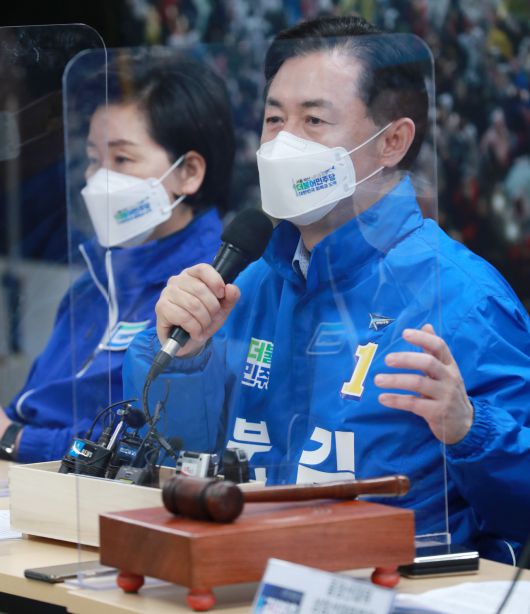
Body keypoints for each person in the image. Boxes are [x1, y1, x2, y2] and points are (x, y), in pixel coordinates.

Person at [124, 17, 530, 564]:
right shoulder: (246, 285)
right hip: (242, 578)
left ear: (392, 141)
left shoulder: (464, 299)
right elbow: (176, 458)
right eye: (274, 119)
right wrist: (182, 358)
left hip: (387, 588)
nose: (283, 143)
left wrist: (470, 429)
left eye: (313, 120)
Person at [0, 52, 235, 463]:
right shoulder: (96, 278)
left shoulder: (210, 287)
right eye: (94, 159)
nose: (98, 178)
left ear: (189, 172)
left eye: (122, 159)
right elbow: (32, 403)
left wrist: (16, 440)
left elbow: (141, 444)